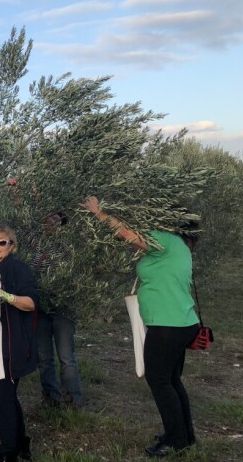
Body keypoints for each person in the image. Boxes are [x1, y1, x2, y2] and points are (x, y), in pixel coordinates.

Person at [82, 196, 199, 457]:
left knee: (160, 382)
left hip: (168, 325)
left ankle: (175, 441)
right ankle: (184, 436)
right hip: (181, 322)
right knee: (171, 380)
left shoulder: (165, 239)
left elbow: (126, 234)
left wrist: (98, 213)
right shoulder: (179, 244)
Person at [0, 224, 38, 462]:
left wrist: (8, 297)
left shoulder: (17, 268)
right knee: (8, 395)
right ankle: (21, 443)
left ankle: (7, 453)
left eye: (2, 242)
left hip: (11, 345)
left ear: (12, 245)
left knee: (5, 396)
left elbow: (31, 302)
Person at [27, 212, 84, 408]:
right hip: (41, 307)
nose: (50, 222)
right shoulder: (34, 242)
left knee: (66, 356)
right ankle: (50, 397)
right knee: (44, 356)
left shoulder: (68, 243)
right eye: (47, 217)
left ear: (62, 221)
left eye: (55, 218)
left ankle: (72, 398)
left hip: (62, 306)